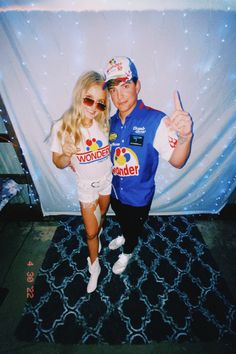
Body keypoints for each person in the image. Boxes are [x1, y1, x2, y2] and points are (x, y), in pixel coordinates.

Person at [103, 56, 193, 275]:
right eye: (113, 89)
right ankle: (124, 234)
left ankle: (128, 251)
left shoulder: (156, 121)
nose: (119, 95)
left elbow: (178, 162)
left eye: (125, 86)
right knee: (123, 221)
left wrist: (185, 137)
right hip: (114, 193)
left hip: (139, 198)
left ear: (137, 85)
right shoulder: (110, 123)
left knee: (134, 228)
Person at [50, 71, 112, 293]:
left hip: (106, 181)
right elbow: (58, 162)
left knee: (102, 216)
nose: (94, 107)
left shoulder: (104, 124)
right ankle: (94, 267)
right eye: (89, 99)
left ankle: (99, 236)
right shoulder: (63, 126)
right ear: (79, 95)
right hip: (86, 187)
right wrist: (66, 154)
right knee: (91, 233)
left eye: (101, 104)